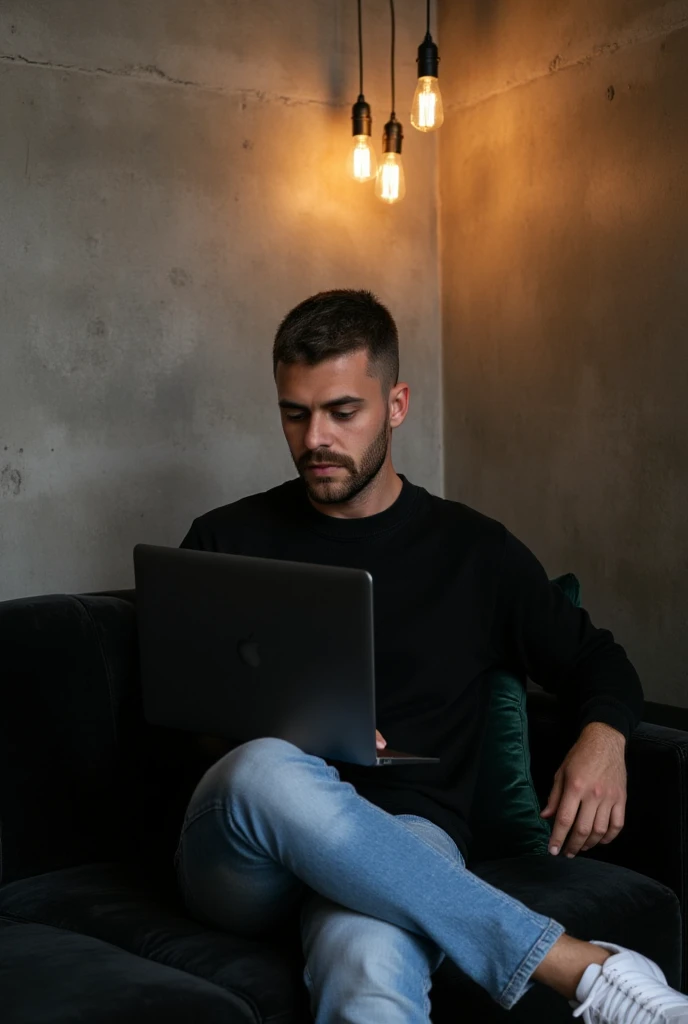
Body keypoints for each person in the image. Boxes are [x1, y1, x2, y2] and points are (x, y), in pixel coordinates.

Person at [176, 289, 687, 1023]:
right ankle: (576, 967)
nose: (314, 437)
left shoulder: (474, 550)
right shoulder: (224, 540)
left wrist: (604, 739)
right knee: (264, 764)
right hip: (243, 851)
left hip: (407, 837)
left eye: (342, 411)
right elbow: (179, 719)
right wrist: (284, 731)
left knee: (371, 961)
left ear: (397, 404)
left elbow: (597, 660)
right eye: (295, 412)